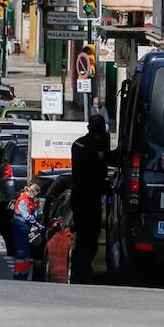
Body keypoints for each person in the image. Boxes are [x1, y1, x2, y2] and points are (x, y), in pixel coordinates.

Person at [68, 114, 111, 284]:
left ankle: (82, 270)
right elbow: (96, 169)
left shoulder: (80, 144)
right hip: (87, 196)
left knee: (87, 237)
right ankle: (81, 271)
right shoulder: (91, 146)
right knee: (88, 237)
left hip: (83, 196)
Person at [10, 181, 42, 281]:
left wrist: (37, 213)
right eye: (35, 193)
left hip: (25, 228)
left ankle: (24, 273)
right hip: (20, 228)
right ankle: (18, 274)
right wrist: (36, 223)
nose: (35, 196)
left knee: (26, 252)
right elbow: (26, 215)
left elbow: (34, 213)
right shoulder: (23, 200)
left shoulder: (30, 200)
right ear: (31, 191)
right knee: (20, 252)